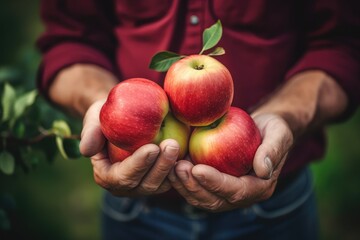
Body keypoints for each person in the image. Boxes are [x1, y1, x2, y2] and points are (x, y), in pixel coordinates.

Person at [36, 1, 359, 239]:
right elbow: (69, 40)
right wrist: (105, 107)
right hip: (137, 211)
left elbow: (341, 46)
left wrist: (285, 117)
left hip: (276, 210)